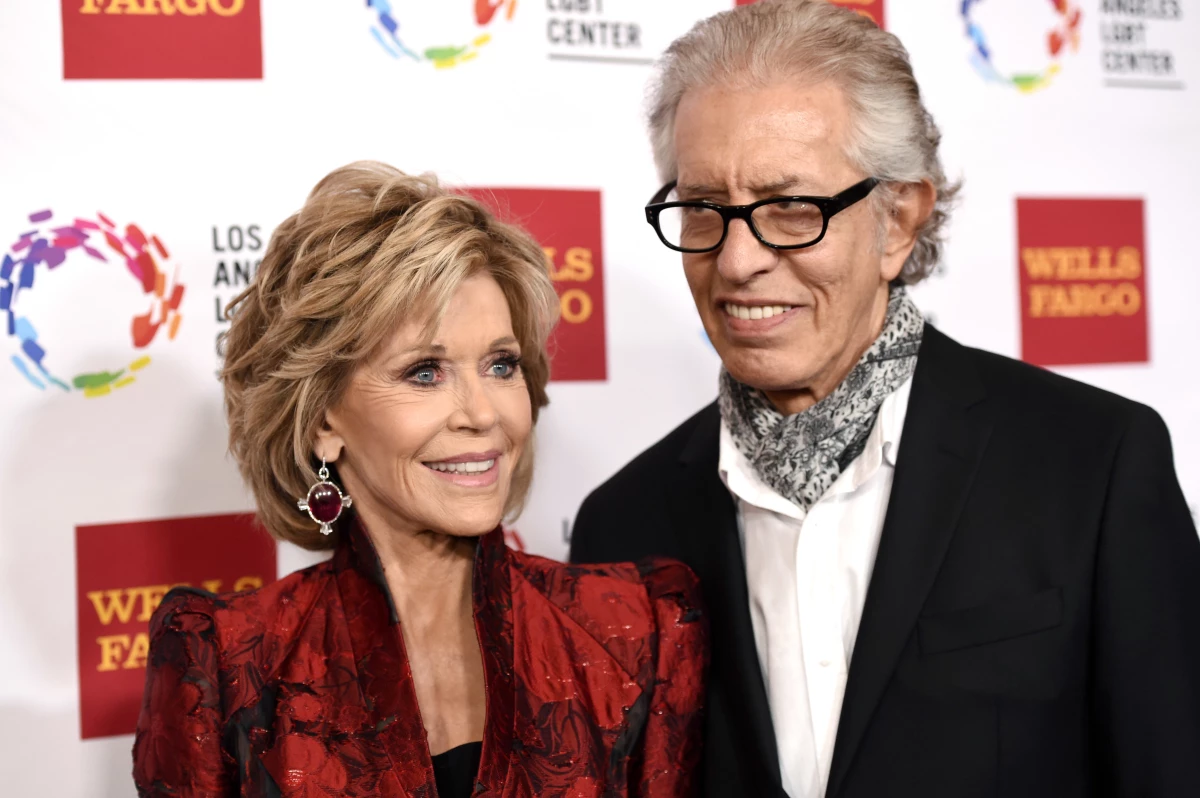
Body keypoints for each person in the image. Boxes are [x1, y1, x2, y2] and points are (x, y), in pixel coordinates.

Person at [569, 2, 1200, 797]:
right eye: (702, 209)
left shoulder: (1091, 465)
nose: (735, 261)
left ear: (897, 222)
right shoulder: (621, 525)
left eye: (790, 207)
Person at [132, 162, 706, 798]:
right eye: (425, 372)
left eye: (501, 365)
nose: (482, 414)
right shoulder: (226, 665)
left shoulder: (636, 630)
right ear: (322, 420)